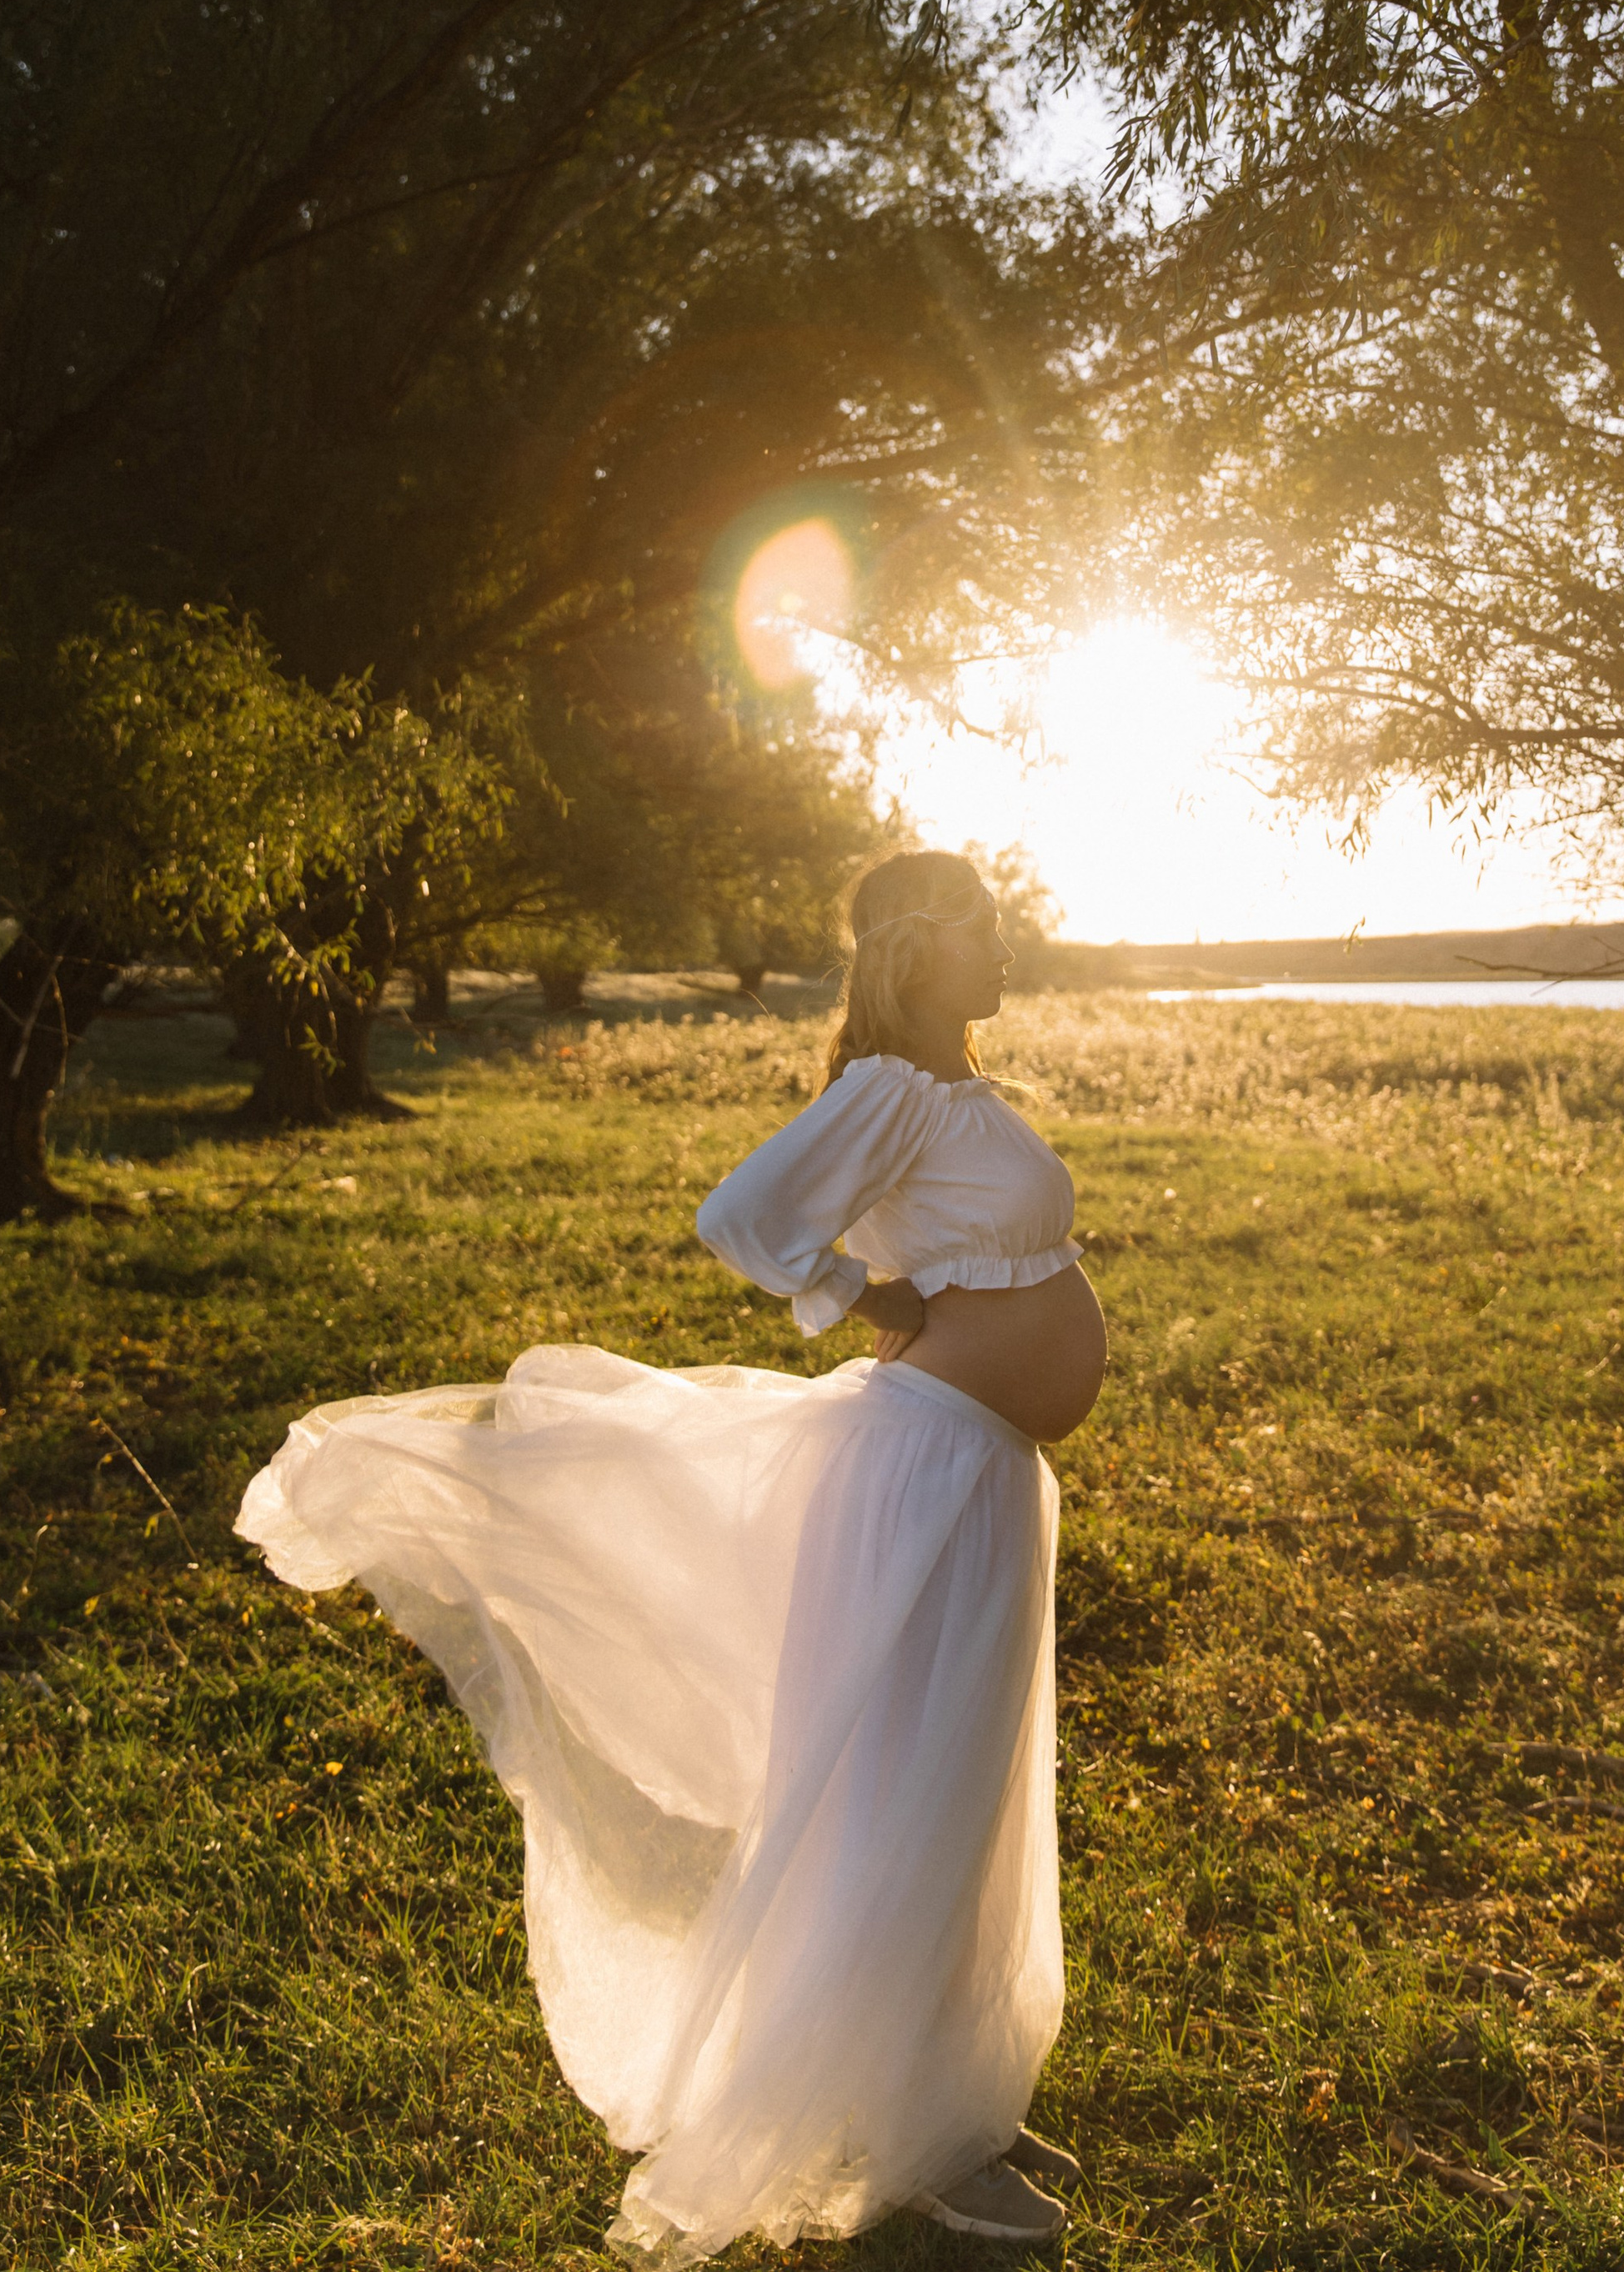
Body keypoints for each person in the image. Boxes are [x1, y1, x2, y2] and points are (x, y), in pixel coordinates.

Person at [236, 847, 1107, 2259]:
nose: (1010, 946)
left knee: (969, 1792)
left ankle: (955, 2101)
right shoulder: (888, 1087)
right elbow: (743, 1219)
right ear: (923, 948)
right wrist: (861, 1291)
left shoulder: (949, 1090)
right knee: (912, 1795)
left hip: (988, 1472)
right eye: (988, 929)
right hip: (928, 1468)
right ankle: (912, 2142)